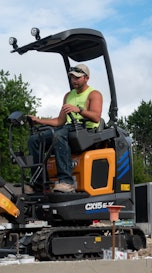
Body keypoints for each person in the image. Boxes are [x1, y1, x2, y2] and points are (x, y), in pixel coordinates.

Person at [27, 64, 103, 193]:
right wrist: (39, 120)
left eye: (77, 78)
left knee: (59, 135)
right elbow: (59, 121)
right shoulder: (68, 95)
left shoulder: (94, 94)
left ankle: (66, 181)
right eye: (72, 77)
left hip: (86, 131)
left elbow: (96, 117)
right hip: (68, 128)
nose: (74, 80)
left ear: (86, 78)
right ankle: (39, 184)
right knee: (34, 140)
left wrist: (79, 110)